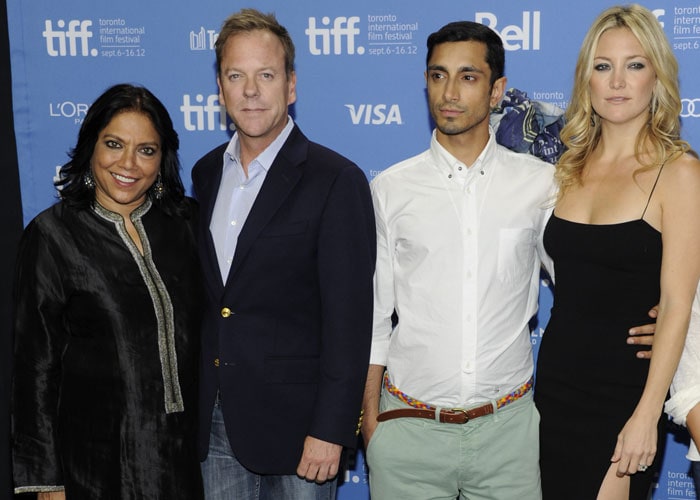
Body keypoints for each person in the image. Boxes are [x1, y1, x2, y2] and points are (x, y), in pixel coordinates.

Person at [361, 19, 659, 500]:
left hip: (510, 436)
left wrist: (662, 315)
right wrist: (373, 423)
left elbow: (586, 276)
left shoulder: (543, 184)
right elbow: (374, 317)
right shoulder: (390, 189)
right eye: (438, 76)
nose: (450, 92)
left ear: (497, 89)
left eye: (469, 76)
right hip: (408, 431)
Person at [192, 8, 376, 500]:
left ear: (291, 86)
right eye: (236, 75)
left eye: (266, 75)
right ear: (220, 88)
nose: (251, 90)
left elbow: (350, 320)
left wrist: (332, 428)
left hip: (302, 434)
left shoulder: (335, 180)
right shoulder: (206, 173)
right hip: (216, 424)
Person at [534, 4, 700, 499]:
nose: (618, 81)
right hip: (557, 386)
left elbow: (677, 303)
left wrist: (647, 414)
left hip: (625, 393)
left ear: (657, 77)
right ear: (587, 80)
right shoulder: (566, 168)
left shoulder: (680, 173)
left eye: (635, 64)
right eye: (603, 67)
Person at [11, 83, 204, 499]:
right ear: (91, 146)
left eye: (146, 150)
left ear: (163, 157)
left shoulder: (186, 224)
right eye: (114, 144)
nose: (128, 163)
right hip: (93, 468)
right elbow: (33, 369)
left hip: (184, 461)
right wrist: (47, 482)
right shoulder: (52, 236)